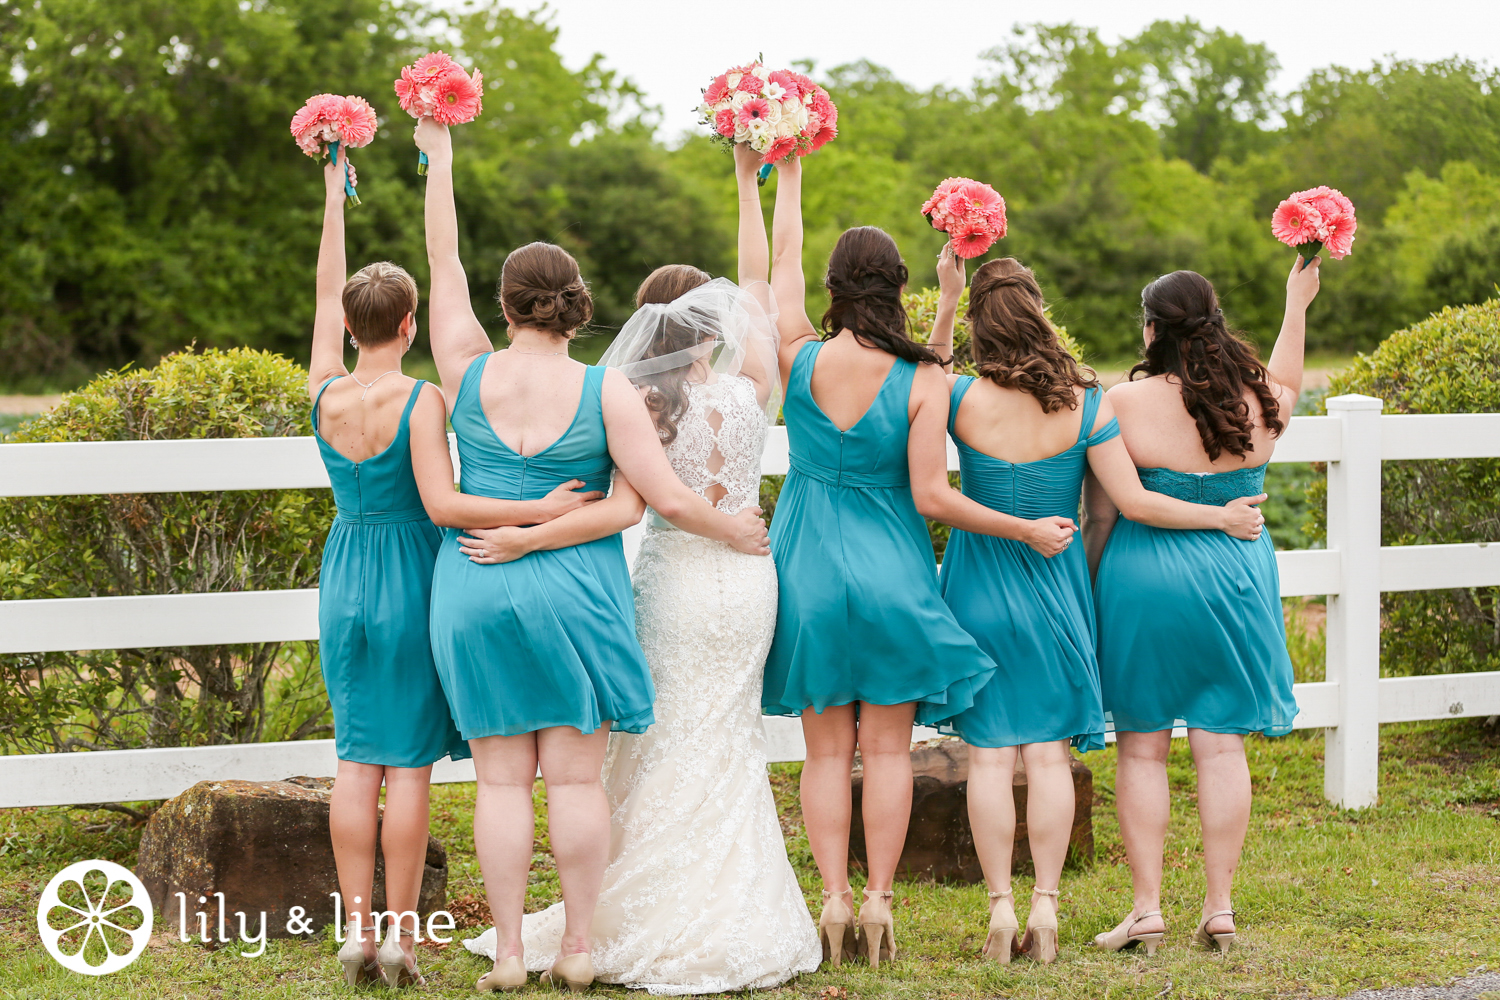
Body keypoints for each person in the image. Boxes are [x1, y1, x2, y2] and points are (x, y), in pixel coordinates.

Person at [412, 118, 770, 994]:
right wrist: (544, 527)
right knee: (574, 782)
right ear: (575, 304)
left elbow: (442, 263)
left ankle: (505, 954)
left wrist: (440, 153)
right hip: (577, 591)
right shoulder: (607, 387)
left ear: (504, 307)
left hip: (473, 578)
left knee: (499, 785)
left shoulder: (463, 370)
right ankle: (575, 947)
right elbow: (632, 505)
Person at [760, 155, 1083, 969]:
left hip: (807, 570)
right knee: (891, 752)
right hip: (892, 571)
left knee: (827, 751)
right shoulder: (921, 375)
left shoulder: (796, 354)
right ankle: (879, 901)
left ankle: (833, 898)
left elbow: (777, 263)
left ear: (832, 288)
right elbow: (933, 490)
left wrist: (777, 171)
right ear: (896, 286)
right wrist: (944, 301)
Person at [306, 154, 602, 989]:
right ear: (407, 329)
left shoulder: (322, 390)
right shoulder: (423, 399)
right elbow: (443, 505)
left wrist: (334, 198)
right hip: (408, 574)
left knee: (354, 760)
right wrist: (541, 511)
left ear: (354, 326)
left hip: (346, 572)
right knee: (408, 768)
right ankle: (399, 936)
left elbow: (327, 291)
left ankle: (354, 933)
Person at [924, 253, 1266, 964]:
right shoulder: (1087, 400)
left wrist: (948, 298)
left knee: (989, 758)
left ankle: (1000, 909)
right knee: (1047, 755)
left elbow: (920, 397)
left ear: (982, 330)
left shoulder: (955, 397)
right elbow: (1127, 505)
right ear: (1041, 314)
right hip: (1054, 585)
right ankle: (1046, 911)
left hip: (979, 582)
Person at [1085, 256, 1322, 956]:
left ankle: (1148, 909)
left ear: (1152, 328)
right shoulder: (1263, 402)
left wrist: (1095, 592)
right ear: (1214, 322)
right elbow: (1288, 375)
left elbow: (1106, 517)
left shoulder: (1119, 404)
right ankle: (1219, 908)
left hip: (1143, 579)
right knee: (1221, 746)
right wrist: (1295, 303)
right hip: (1236, 577)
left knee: (1143, 748)